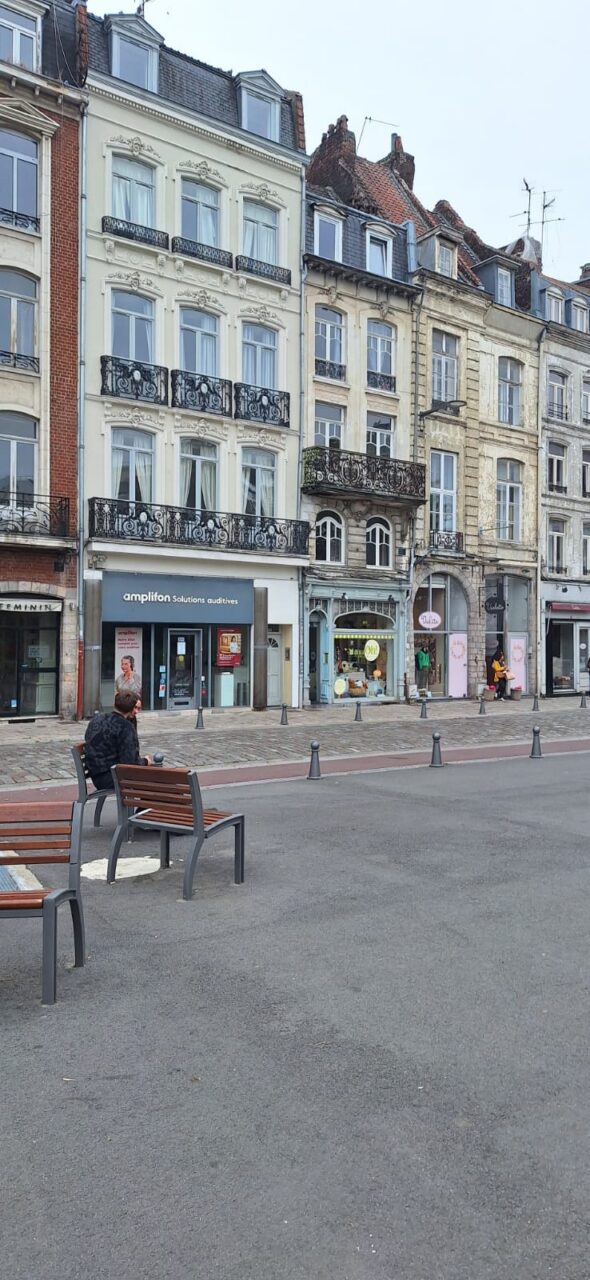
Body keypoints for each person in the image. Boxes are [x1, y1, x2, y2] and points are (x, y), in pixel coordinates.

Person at [84, 690, 151, 791]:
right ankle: (146, 802)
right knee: (157, 779)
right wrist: (145, 761)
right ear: (131, 708)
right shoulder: (125, 727)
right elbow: (130, 764)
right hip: (113, 777)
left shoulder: (97, 719)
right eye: (136, 708)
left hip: (97, 775)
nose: (137, 711)